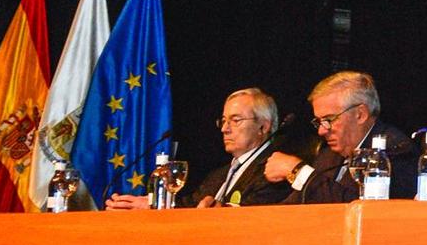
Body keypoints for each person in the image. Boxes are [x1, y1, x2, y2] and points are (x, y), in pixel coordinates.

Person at [103, 87, 290, 210]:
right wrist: (153, 204)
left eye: (236, 120)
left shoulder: (273, 169)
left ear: (263, 127)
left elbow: (255, 215)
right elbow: (192, 205)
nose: (225, 128)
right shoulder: (219, 175)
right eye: (223, 121)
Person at [264, 70, 419, 202]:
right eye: (319, 121)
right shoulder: (328, 155)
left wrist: (298, 171)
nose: (321, 131)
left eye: (329, 119)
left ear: (360, 114)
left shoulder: (396, 150)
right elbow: (296, 204)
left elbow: (355, 206)